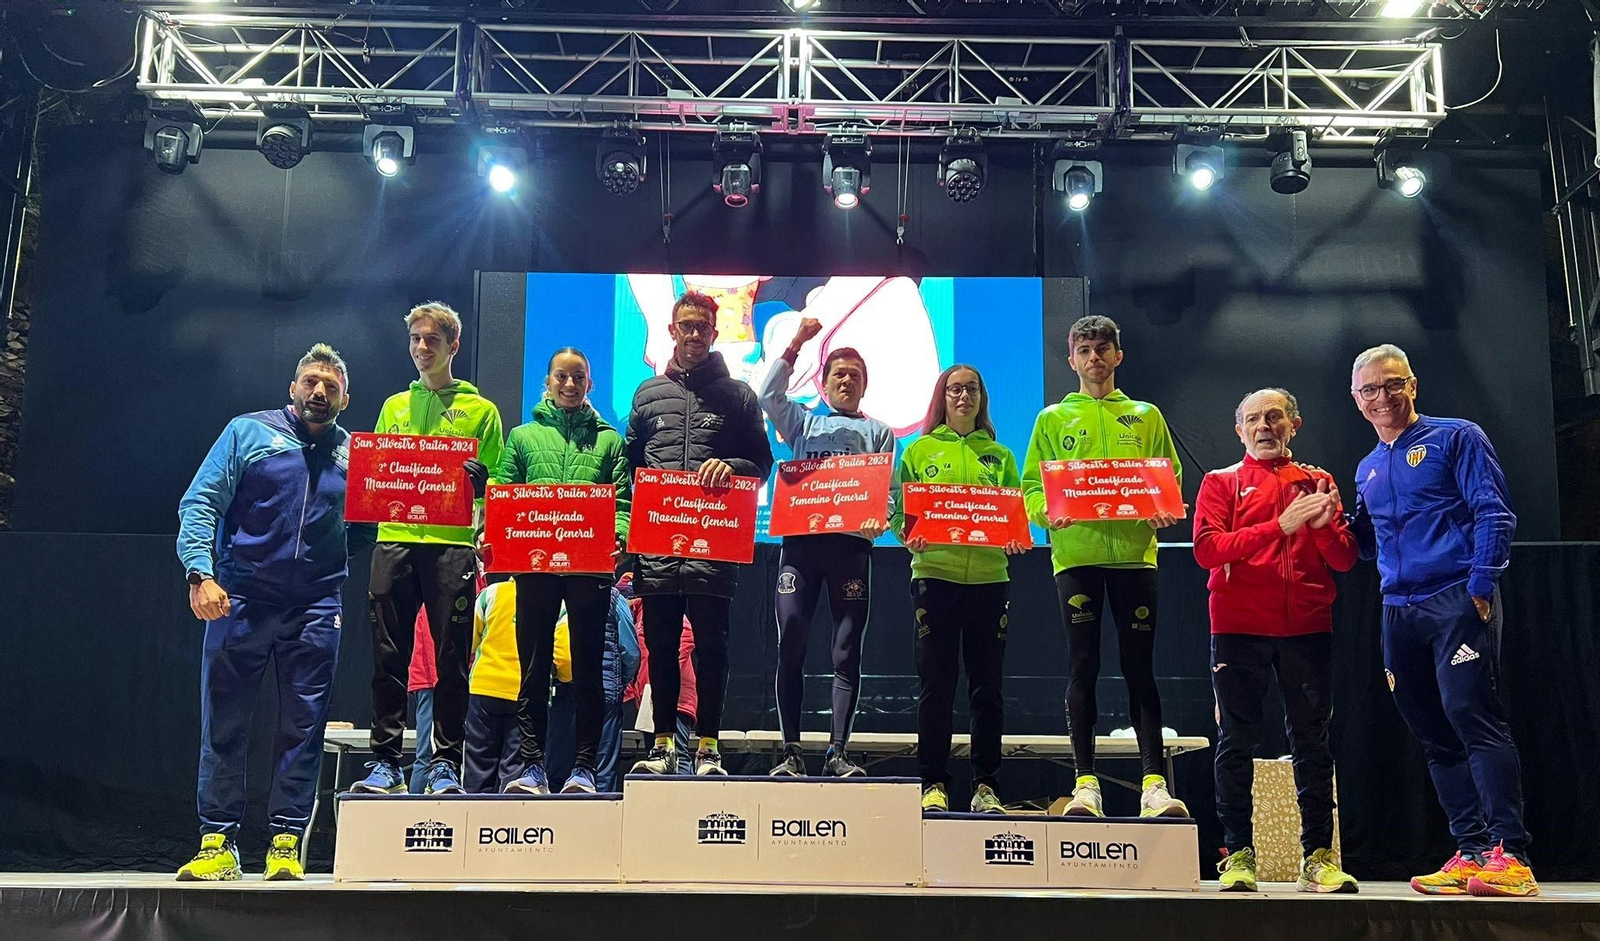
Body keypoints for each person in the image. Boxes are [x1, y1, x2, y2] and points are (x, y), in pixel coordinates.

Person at [175, 344, 375, 881]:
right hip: (239, 598)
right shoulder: (248, 432)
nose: (319, 392)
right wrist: (200, 573)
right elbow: (201, 502)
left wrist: (324, 563)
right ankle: (217, 844)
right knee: (224, 721)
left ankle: (285, 843)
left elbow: (368, 528)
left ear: (345, 398)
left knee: (303, 728)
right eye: (311, 381)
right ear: (292, 388)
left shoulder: (356, 455)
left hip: (315, 607)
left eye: (331, 386)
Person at [1347, 344, 1536, 898]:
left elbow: (1493, 510)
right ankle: (1471, 850)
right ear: (1357, 399)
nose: (1383, 397)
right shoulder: (1367, 467)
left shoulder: (1456, 437)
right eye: (1370, 389)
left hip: (1454, 597)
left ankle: (1512, 855)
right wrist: (1331, 515)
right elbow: (1366, 544)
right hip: (1397, 609)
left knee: (1472, 718)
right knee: (1432, 733)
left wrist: (1481, 583)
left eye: (1392, 384)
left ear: (1412, 385)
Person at [1192, 388, 1359, 894]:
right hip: (1238, 626)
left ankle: (1319, 858)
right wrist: (1278, 526)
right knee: (1236, 741)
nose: (1264, 426)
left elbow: (1344, 558)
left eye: (1274, 417)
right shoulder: (1220, 482)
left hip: (1307, 626)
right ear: (1238, 430)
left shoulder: (1318, 481)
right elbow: (1207, 550)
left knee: (1312, 743)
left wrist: (1324, 527)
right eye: (1253, 419)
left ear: (1294, 425)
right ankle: (1238, 855)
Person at [1020, 315, 1186, 819]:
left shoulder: (1146, 415)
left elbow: (1169, 476)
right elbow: (1032, 487)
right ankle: (1085, 784)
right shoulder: (1052, 419)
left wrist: (1163, 507)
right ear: (1072, 359)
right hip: (1077, 559)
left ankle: (1153, 785)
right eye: (1085, 350)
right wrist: (1046, 513)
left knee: (1140, 669)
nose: (1094, 357)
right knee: (1083, 667)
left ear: (1118, 355)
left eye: (1102, 348)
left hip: (1135, 558)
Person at [353, 302, 504, 796]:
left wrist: (481, 487)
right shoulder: (393, 406)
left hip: (451, 545)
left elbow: (496, 491)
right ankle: (385, 763)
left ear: (453, 346)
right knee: (387, 656)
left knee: (451, 659)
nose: (422, 347)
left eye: (432, 339)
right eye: (415, 339)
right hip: (394, 540)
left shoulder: (482, 412)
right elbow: (376, 474)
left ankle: (444, 763)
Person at [625, 291, 774, 776]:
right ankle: (663, 745)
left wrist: (731, 466)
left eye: (702, 327)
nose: (694, 334)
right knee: (661, 648)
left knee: (712, 649)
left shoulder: (739, 396)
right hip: (658, 549)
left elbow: (762, 463)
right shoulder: (647, 394)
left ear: (714, 332)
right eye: (686, 326)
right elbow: (631, 468)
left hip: (714, 547)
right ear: (672, 330)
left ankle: (709, 747)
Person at [757, 316, 895, 778]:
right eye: (839, 374)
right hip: (801, 546)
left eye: (855, 375)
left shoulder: (879, 432)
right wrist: (796, 343)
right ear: (824, 383)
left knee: (846, 648)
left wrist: (881, 519)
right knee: (792, 636)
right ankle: (791, 751)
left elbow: (888, 493)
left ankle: (838, 752)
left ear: (864, 386)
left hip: (850, 550)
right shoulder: (803, 423)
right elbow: (767, 395)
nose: (846, 381)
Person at [889, 364, 1027, 815]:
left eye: (971, 389)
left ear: (981, 397)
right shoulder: (919, 450)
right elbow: (899, 511)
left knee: (987, 689)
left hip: (990, 580)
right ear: (942, 397)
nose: (963, 396)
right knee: (937, 686)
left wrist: (1014, 536)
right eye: (954, 389)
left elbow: (1015, 515)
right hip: (934, 578)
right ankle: (933, 782)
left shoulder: (1001, 456)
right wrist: (906, 534)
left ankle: (986, 786)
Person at [496, 348, 631, 795]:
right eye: (561, 376)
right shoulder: (522, 437)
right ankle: (532, 767)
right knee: (533, 669)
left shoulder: (610, 441)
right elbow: (503, 492)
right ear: (548, 382)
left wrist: (619, 536)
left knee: (589, 670)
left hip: (590, 568)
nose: (570, 384)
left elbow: (623, 502)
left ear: (590, 384)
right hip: (534, 567)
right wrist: (489, 533)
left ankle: (584, 769)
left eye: (578, 377)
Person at [547, 582, 642, 792]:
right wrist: (621, 681)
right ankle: (601, 811)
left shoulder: (555, 594)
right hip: (605, 690)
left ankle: (554, 808)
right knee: (602, 769)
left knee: (558, 763)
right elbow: (631, 652)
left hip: (565, 687)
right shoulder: (614, 598)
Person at [619, 572, 699, 774]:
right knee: (657, 757)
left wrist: (663, 676)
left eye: (625, 600)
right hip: (651, 700)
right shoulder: (637, 619)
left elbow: (686, 637)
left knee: (678, 754)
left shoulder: (655, 610)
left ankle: (686, 793)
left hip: (676, 698)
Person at [464, 570, 523, 794]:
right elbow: (564, 654)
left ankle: (473, 814)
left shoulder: (490, 593)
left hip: (483, 686)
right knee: (515, 773)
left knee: (478, 767)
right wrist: (561, 676)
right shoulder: (553, 598)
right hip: (524, 691)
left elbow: (469, 640)